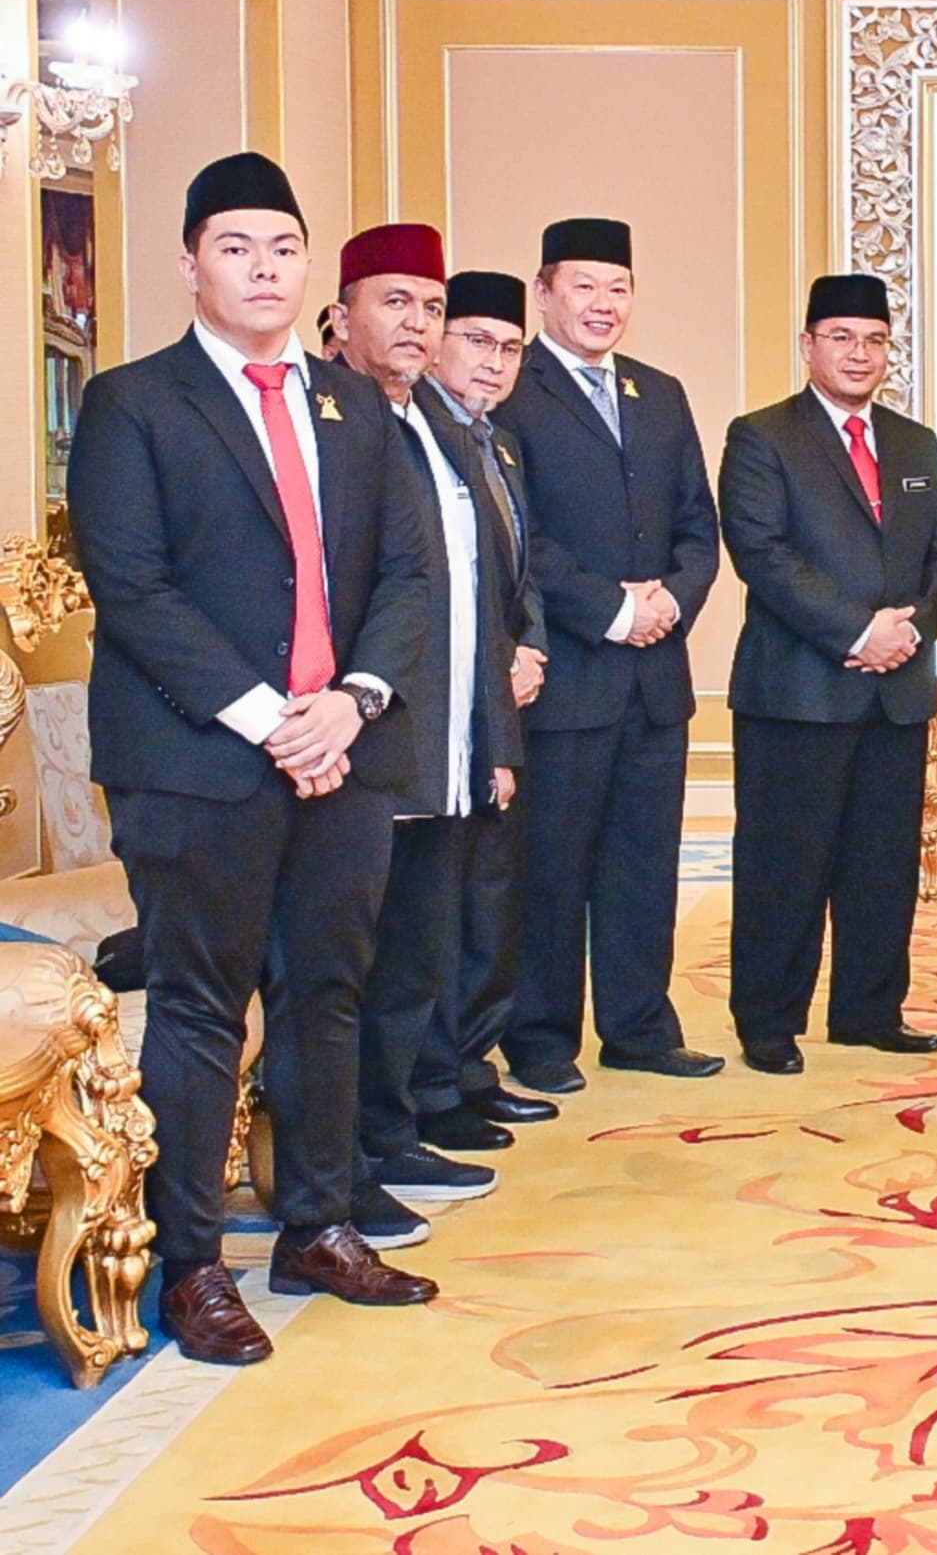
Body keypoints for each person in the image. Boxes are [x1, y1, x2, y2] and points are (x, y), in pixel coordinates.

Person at [66, 152, 438, 1365]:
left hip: (344, 750)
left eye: (283, 249)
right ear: (191, 264)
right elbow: (133, 585)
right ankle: (190, 1264)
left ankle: (316, 1224)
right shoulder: (135, 403)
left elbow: (409, 574)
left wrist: (353, 703)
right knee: (200, 1006)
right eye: (236, 247)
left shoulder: (355, 406)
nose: (263, 269)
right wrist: (272, 715)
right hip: (198, 760)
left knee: (328, 992)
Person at [330, 225, 526, 1248]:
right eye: (395, 302)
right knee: (348, 972)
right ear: (342, 316)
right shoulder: (329, 416)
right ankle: (341, 1169)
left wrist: (494, 738)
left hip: (444, 744)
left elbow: (481, 602)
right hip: (363, 746)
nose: (417, 323)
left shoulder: (441, 431)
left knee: (415, 958)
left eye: (431, 306)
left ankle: (390, 1130)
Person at [722, 275, 937, 1073]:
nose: (859, 354)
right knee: (784, 867)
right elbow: (763, 554)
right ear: (808, 346)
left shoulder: (914, 443)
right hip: (798, 692)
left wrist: (910, 630)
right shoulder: (763, 436)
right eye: (840, 337)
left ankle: (870, 1011)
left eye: (874, 340)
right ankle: (769, 1022)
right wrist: (859, 630)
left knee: (882, 866)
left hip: (895, 691)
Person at [498, 218, 724, 1090]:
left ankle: (639, 1027)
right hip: (567, 674)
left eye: (618, 288)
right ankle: (541, 1039)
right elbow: (522, 536)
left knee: (643, 865)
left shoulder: (659, 393)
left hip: (654, 678)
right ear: (545, 292)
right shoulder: (515, 389)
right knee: (552, 869)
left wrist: (669, 600)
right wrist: (612, 609)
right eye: (584, 286)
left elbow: (697, 525)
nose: (604, 304)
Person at [410, 270, 554, 1139]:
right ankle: (434, 1088)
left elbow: (517, 569)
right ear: (437, 344)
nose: (493, 362)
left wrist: (528, 647)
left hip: (500, 700)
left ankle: (471, 1066)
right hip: (443, 707)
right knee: (441, 909)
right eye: (476, 341)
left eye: (509, 348)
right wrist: (498, 660)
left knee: (491, 899)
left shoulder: (499, 442)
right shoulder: (414, 433)